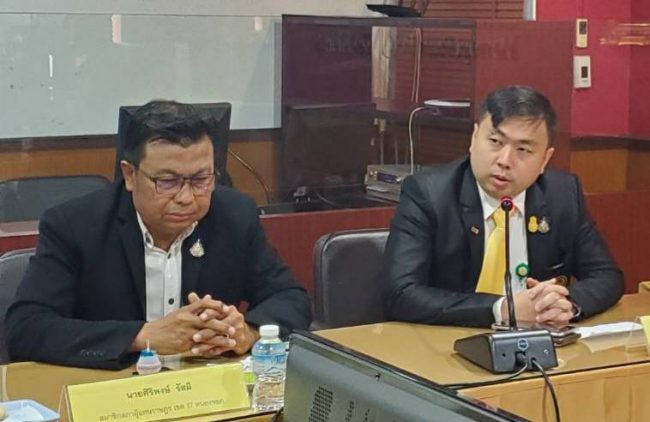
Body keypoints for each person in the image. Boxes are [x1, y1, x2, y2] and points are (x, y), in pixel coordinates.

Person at [6, 100, 311, 369]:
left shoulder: (234, 216)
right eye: (167, 181)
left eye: (201, 179)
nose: (186, 197)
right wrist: (142, 336)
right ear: (130, 175)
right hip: (110, 392)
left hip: (206, 389)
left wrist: (248, 331)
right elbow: (27, 328)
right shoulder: (75, 225)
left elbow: (290, 298)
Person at [382, 86, 624, 328]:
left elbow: (607, 276)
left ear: (545, 159)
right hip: (450, 339)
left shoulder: (563, 194)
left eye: (523, 150)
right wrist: (501, 309)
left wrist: (565, 305)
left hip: (538, 339)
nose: (504, 161)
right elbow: (401, 293)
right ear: (474, 138)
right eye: (495, 142)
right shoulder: (428, 194)